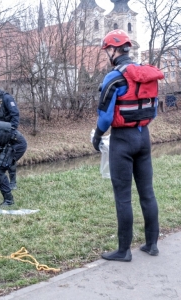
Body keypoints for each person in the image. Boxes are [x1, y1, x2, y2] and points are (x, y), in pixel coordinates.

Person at [92, 29, 164, 262]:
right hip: (144, 137)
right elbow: (152, 108)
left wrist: (98, 136)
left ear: (114, 50)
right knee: (147, 192)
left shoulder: (114, 77)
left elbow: (105, 115)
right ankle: (152, 244)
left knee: (123, 197)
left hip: (122, 140)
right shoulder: (145, 72)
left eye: (107, 50)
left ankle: (123, 251)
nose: (107, 54)